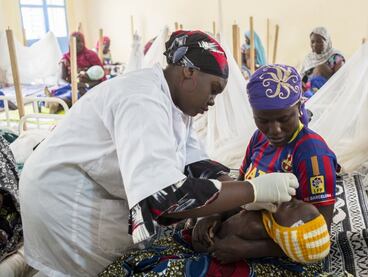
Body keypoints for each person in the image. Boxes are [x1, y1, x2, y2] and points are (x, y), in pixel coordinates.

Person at [19, 30, 298, 276]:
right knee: (96, 267)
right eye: (213, 90)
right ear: (189, 71)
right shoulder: (142, 100)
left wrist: (233, 187)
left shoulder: (176, 103)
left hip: (92, 186)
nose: (213, 101)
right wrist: (251, 191)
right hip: (64, 199)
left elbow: (194, 161)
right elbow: (163, 198)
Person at [192, 64, 337, 262]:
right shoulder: (259, 138)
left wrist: (251, 250)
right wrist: (215, 216)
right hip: (248, 221)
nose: (274, 130)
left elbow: (319, 236)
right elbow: (241, 187)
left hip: (276, 240)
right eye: (263, 120)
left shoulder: (312, 154)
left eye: (284, 118)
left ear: (299, 106)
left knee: (248, 225)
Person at [194, 198, 330, 265]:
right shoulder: (272, 214)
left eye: (293, 205)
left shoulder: (253, 225)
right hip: (214, 221)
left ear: (283, 230)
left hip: (206, 238)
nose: (292, 199)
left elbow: (215, 247)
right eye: (299, 201)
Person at [301, 27, 345, 93]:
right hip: (309, 96)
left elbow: (339, 82)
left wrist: (322, 70)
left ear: (327, 41)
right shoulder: (308, 58)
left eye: (319, 42)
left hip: (328, 94)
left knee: (320, 68)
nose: (315, 45)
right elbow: (302, 79)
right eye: (312, 42)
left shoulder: (336, 57)